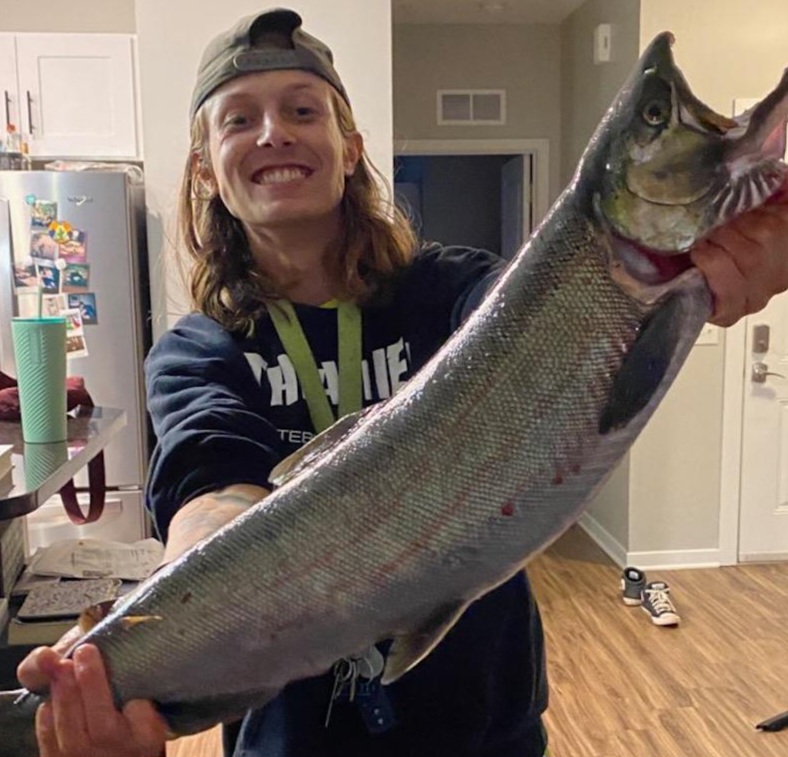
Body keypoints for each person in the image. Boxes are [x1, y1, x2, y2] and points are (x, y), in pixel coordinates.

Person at [17, 8, 788, 757]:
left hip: (488, 728)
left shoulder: (466, 294)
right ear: (206, 171)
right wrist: (138, 649)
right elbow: (209, 491)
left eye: (301, 109)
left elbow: (593, 340)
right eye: (238, 120)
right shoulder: (194, 352)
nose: (273, 132)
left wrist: (713, 274)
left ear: (350, 148)